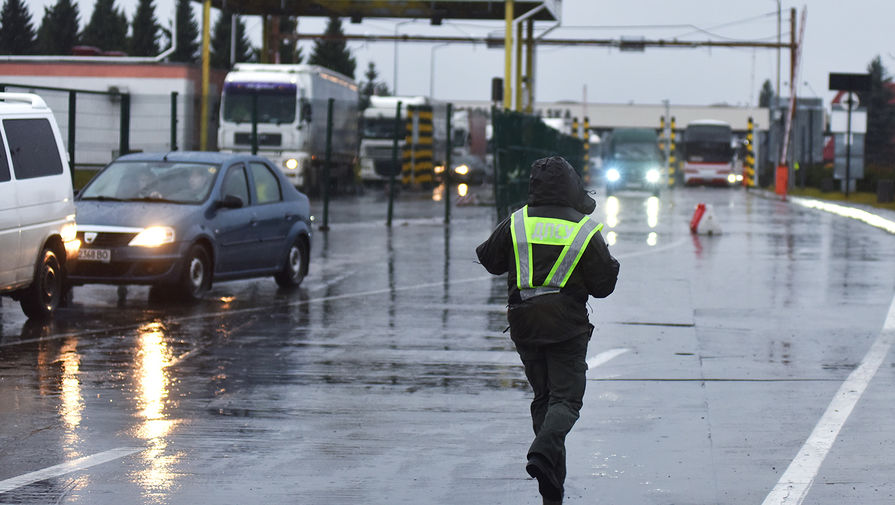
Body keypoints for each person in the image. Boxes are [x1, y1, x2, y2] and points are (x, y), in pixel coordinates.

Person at [475, 156, 619, 505]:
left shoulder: (517, 222)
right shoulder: (583, 229)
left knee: (544, 399)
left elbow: (490, 259)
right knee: (566, 400)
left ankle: (552, 484)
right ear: (571, 186)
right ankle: (542, 453)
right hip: (566, 328)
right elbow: (603, 285)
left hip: (524, 324)